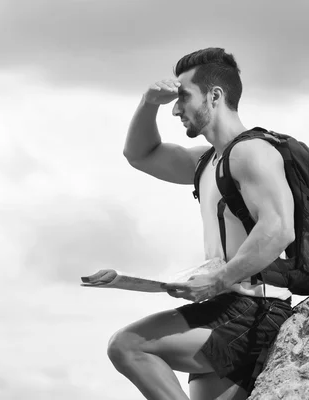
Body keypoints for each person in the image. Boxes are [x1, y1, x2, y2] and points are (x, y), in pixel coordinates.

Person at [108, 48, 295, 400]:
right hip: (224, 307)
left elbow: (278, 228)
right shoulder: (208, 161)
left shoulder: (252, 152)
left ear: (215, 96)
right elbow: (140, 154)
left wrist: (217, 282)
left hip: (252, 309)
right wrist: (150, 102)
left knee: (128, 345)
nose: (176, 109)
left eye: (182, 98)